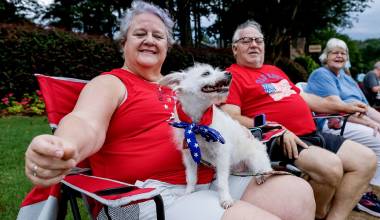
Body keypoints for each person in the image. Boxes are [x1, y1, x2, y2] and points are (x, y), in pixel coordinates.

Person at [22, 2, 316, 220]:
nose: (150, 39)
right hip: (147, 196)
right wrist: (64, 146)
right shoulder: (111, 83)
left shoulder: (183, 89)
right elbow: (86, 122)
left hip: (209, 178)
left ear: (167, 46)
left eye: (158, 35)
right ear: (124, 43)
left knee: (297, 195)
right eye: (140, 33)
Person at [221, 20, 376, 220]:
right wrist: (273, 128)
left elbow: (304, 98)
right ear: (235, 49)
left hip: (311, 133)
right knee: (331, 168)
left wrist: (344, 106)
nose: (254, 44)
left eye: (258, 40)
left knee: (366, 160)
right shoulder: (230, 76)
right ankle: (317, 213)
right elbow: (230, 117)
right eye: (246, 41)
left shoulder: (274, 71)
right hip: (276, 139)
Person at [306, 38, 380, 218]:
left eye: (343, 52)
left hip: (354, 119)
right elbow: (338, 107)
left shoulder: (347, 79)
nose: (339, 55)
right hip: (333, 123)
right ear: (326, 56)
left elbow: (367, 108)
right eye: (334, 52)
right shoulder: (321, 74)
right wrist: (371, 123)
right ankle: (363, 194)